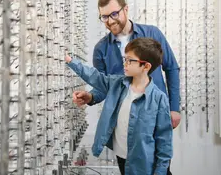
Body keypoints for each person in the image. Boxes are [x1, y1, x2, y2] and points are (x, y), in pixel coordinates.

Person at [72, 0, 180, 174]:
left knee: (160, 166)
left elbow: (171, 68)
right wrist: (90, 96)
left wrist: (174, 107)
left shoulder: (152, 34)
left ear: (126, 9)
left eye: (114, 14)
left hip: (152, 120)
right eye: (104, 16)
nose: (110, 20)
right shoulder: (101, 49)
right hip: (123, 129)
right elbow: (104, 87)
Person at [65, 38, 173, 175]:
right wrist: (70, 61)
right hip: (122, 157)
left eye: (130, 60)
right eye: (125, 59)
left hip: (144, 163)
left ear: (146, 66)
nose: (125, 64)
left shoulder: (159, 99)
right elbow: (95, 76)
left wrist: (161, 171)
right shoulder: (118, 84)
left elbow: (164, 140)